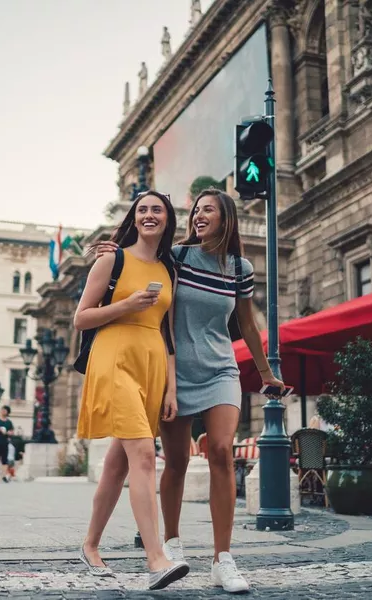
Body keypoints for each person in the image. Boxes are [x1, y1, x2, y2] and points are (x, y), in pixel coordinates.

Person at [95, 189, 285, 593]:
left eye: (208, 210)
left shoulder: (240, 268)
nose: (198, 216)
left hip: (220, 370)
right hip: (174, 373)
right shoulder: (177, 259)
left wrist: (266, 373)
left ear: (225, 218)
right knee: (177, 460)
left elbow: (247, 325)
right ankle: (172, 543)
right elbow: (138, 259)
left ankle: (223, 559)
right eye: (196, 210)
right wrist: (113, 250)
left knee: (220, 450)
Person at [75, 190, 188, 591]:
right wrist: (127, 305)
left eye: (157, 209)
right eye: (142, 210)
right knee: (142, 453)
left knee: (117, 464)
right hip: (113, 360)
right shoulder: (113, 259)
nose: (149, 215)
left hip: (151, 368)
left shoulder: (169, 269)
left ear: (167, 218)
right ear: (134, 218)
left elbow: (168, 333)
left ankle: (89, 545)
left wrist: (171, 389)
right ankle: (156, 558)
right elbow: (81, 319)